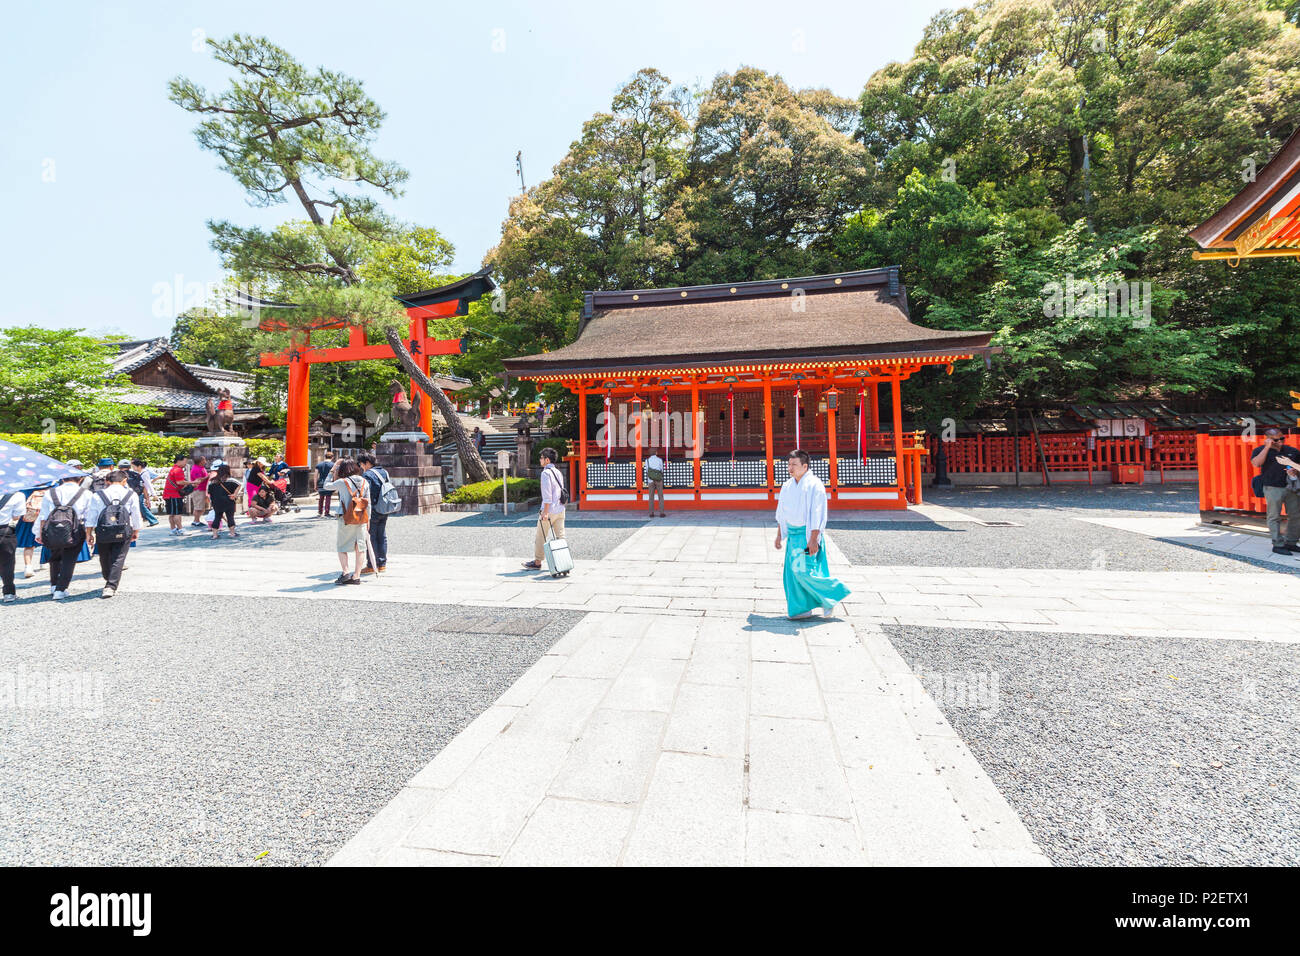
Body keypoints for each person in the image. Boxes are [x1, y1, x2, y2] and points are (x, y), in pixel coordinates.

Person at [774, 449, 850, 619]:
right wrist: (779, 535)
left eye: (794, 464)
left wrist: (813, 539)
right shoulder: (787, 486)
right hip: (792, 536)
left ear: (805, 466)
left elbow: (818, 513)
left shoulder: (815, 484)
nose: (790, 468)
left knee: (804, 572)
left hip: (806, 535)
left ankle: (833, 594)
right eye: (789, 464)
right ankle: (802, 609)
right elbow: (782, 513)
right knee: (792, 575)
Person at [85, 469, 142, 599]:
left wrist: (89, 533)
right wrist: (136, 530)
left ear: (107, 481)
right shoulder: (130, 494)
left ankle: (108, 578)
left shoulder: (98, 495)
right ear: (124, 480)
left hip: (103, 530)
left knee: (104, 556)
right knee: (119, 557)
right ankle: (111, 586)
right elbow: (136, 514)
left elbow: (92, 515)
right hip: (124, 530)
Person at [36, 474, 91, 601]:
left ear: (62, 478)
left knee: (55, 557)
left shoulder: (51, 492)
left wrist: (39, 533)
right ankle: (61, 589)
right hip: (76, 529)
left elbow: (43, 516)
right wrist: (89, 534)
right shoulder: (86, 493)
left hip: (53, 529)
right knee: (69, 559)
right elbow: (89, 515)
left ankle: (54, 585)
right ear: (80, 479)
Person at [1251, 428, 1300, 555]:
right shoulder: (1259, 451)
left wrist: (1295, 471)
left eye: (1282, 438)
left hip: (1291, 487)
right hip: (1272, 487)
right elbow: (1256, 463)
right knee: (1274, 516)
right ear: (1268, 439)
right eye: (1276, 440)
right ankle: (1277, 544)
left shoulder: (1292, 451)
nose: (1280, 441)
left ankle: (1291, 542)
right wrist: (1267, 448)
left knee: (1296, 515)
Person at [323, 458, 369, 585]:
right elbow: (368, 503)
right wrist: (368, 520)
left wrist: (332, 471)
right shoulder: (365, 482)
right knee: (360, 547)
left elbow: (326, 486)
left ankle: (346, 573)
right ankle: (356, 576)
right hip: (361, 518)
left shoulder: (342, 482)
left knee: (342, 546)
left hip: (345, 518)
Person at [523, 447, 566, 570]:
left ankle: (537, 562)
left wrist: (545, 512)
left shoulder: (545, 473)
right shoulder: (557, 472)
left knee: (541, 536)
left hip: (549, 510)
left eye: (541, 458)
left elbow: (547, 496)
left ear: (547, 460)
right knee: (561, 537)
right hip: (560, 508)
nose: (540, 460)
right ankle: (564, 561)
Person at [358, 452, 390, 575]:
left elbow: (366, 493)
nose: (362, 467)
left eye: (362, 464)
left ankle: (372, 564)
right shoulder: (384, 472)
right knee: (382, 535)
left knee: (370, 537)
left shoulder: (368, 475)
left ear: (367, 463)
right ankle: (382, 564)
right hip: (384, 507)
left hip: (373, 509)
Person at [0, 487, 25, 603]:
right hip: (5, 530)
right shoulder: (17, 495)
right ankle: (9, 593)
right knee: (7, 563)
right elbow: (17, 517)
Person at [207, 464, 242, 539]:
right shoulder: (231, 480)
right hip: (229, 501)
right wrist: (235, 494)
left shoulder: (212, 481)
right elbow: (240, 484)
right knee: (230, 517)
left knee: (217, 517)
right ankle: (232, 533)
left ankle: (215, 535)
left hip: (217, 502)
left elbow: (209, 492)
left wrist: (211, 501)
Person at [16, 486, 44, 579]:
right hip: (45, 518)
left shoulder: (24, 487)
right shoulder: (51, 486)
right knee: (50, 541)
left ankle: (28, 566)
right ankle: (45, 562)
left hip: (29, 517)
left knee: (29, 544)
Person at [163, 454, 191, 535]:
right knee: (177, 513)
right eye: (185, 461)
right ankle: (180, 529)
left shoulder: (173, 469)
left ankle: (173, 529)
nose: (185, 464)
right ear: (179, 461)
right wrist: (191, 482)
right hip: (174, 494)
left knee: (171, 513)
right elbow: (180, 482)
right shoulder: (178, 470)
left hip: (168, 494)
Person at [128, 459, 160, 526]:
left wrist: (154, 494)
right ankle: (151, 520)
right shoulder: (140, 473)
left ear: (139, 466)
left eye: (134, 467)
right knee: (142, 506)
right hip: (142, 491)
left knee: (142, 507)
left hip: (143, 492)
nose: (133, 468)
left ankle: (153, 520)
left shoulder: (144, 473)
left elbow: (148, 484)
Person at [187, 455, 210, 528]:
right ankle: (196, 521)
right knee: (198, 506)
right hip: (198, 489)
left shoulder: (201, 467)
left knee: (201, 507)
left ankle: (197, 520)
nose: (205, 461)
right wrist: (207, 476)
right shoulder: (196, 469)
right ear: (200, 462)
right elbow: (198, 480)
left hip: (202, 489)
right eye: (204, 460)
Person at [645, 451, 666, 517]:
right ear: (656, 453)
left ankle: (651, 513)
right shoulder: (659, 460)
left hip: (650, 480)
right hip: (658, 479)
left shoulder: (647, 460)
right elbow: (661, 469)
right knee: (660, 496)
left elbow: (647, 470)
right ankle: (661, 513)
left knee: (651, 497)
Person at [315, 452, 336, 517]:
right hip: (329, 482)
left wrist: (315, 485)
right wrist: (335, 483)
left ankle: (320, 511)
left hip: (320, 482)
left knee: (321, 497)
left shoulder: (319, 465)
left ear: (325, 457)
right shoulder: (333, 465)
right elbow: (334, 475)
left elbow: (315, 476)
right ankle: (327, 512)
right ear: (332, 457)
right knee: (328, 497)